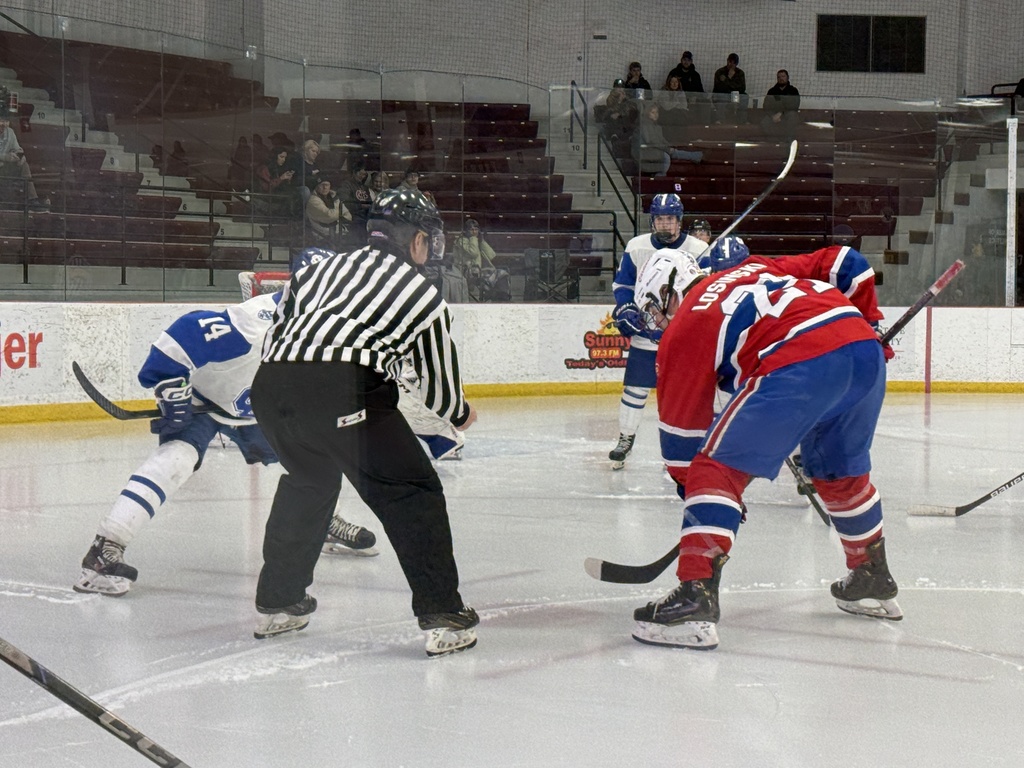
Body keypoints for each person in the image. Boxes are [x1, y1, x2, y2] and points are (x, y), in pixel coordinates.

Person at [629, 243, 900, 651]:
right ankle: (871, 577)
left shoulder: (686, 322)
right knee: (839, 473)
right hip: (862, 350)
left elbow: (681, 444)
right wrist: (871, 323)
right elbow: (849, 263)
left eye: (655, 307)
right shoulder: (755, 266)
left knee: (712, 468)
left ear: (670, 290)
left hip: (798, 360)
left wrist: (714, 498)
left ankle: (694, 599)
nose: (657, 320)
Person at [250, 188, 479, 657]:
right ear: (416, 239)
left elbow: (277, 331)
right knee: (412, 492)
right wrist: (461, 412)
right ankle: (442, 612)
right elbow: (437, 389)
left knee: (309, 481)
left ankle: (281, 600)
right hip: (343, 388)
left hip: (271, 387)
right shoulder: (421, 292)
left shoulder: (316, 269)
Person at [73, 291, 379, 598]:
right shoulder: (257, 322)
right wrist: (169, 383)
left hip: (260, 411)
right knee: (176, 460)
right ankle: (105, 549)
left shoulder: (339, 330)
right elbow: (185, 333)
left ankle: (324, 521)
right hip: (205, 401)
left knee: (316, 460)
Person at [607, 193, 708, 469]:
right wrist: (626, 308)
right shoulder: (636, 247)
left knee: (684, 395)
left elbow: (709, 291)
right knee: (635, 389)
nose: (666, 225)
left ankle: (682, 446)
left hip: (684, 340)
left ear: (679, 221)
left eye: (671, 219)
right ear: (653, 222)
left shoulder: (699, 249)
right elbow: (623, 286)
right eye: (660, 219)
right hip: (646, 334)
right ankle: (625, 439)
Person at [0, 87, 48, 212]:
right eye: (0, 120)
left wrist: (20, 155)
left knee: (24, 164)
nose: (2, 124)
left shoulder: (10, 132)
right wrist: (5, 157)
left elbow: (17, 148)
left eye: (5, 121)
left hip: (5, 169)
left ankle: (32, 200)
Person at [631, 103, 703, 176]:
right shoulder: (645, 125)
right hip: (644, 152)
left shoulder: (656, 126)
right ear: (647, 113)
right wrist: (667, 149)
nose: (656, 114)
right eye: (653, 112)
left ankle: (696, 156)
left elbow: (661, 140)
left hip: (653, 149)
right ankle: (696, 156)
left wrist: (669, 146)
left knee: (672, 152)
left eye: (657, 112)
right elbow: (652, 141)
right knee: (666, 156)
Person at [451, 218, 511, 302]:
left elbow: (491, 255)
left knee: (503, 274)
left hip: (479, 270)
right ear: (466, 231)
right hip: (467, 272)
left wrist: (481, 241)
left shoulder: (476, 240)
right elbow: (473, 252)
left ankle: (502, 297)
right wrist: (473, 238)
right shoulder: (461, 241)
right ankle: (494, 295)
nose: (474, 232)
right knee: (493, 277)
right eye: (471, 229)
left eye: (476, 229)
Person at [305, 177, 351, 248]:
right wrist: (338, 210)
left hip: (340, 234)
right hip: (323, 237)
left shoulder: (332, 197)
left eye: (327, 185)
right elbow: (330, 216)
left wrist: (337, 215)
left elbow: (348, 215)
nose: (325, 187)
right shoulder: (313, 201)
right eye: (322, 185)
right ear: (317, 186)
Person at [255, 146, 300, 217]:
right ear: (275, 157)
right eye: (281, 157)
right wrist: (281, 178)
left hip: (278, 194)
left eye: (285, 157)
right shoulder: (264, 168)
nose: (283, 160)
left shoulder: (280, 167)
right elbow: (267, 187)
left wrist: (288, 178)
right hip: (267, 196)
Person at [760, 69, 801, 137]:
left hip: (788, 115)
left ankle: (788, 141)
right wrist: (772, 116)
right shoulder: (772, 91)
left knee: (792, 117)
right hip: (774, 114)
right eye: (779, 77)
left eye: (783, 76)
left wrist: (781, 113)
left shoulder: (793, 90)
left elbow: (795, 105)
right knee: (764, 122)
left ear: (787, 77)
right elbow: (766, 105)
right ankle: (773, 141)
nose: (781, 78)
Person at [712, 53, 747, 124]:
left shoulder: (740, 73)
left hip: (734, 96)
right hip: (722, 95)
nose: (731, 64)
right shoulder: (720, 72)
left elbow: (742, 88)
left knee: (744, 96)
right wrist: (730, 78)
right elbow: (718, 88)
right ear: (727, 61)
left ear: (736, 64)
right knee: (721, 96)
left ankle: (741, 120)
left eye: (734, 63)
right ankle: (720, 119)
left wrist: (726, 80)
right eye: (730, 62)